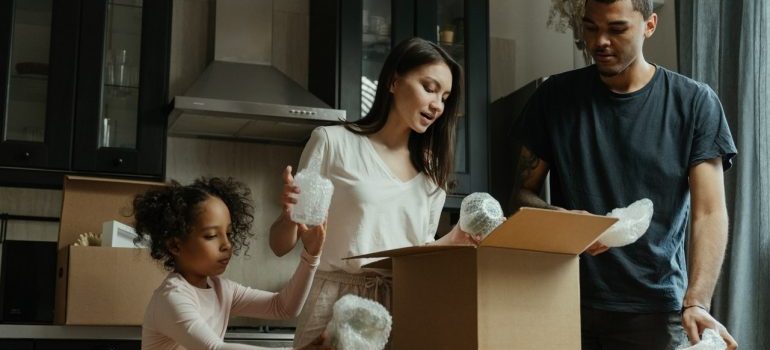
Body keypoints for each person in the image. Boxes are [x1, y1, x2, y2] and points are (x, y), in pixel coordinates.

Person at [515, 0, 739, 349]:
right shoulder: (554, 98)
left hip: (654, 309)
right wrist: (565, 222)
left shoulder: (695, 103)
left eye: (617, 29)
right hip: (563, 301)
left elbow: (709, 211)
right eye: (590, 27)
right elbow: (520, 195)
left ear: (649, 26)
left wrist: (696, 301)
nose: (599, 41)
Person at [269, 37, 477, 348]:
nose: (438, 105)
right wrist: (288, 216)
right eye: (429, 88)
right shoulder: (332, 142)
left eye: (445, 97)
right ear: (394, 81)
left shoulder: (433, 172)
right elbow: (280, 245)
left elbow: (417, 249)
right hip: (335, 303)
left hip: (400, 310)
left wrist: (456, 240)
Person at [135, 177, 331, 350]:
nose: (227, 244)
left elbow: (283, 307)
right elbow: (215, 348)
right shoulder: (171, 298)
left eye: (228, 234)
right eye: (211, 235)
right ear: (175, 245)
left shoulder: (222, 290)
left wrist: (311, 254)